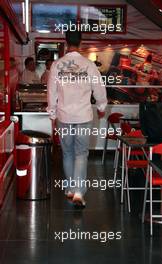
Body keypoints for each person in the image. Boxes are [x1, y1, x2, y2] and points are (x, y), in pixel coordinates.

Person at [47, 30, 107, 208]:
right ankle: (78, 192)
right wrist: (101, 107)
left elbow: (51, 93)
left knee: (67, 153)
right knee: (81, 154)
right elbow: (99, 89)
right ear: (80, 43)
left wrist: (52, 113)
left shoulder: (57, 65)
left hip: (64, 116)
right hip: (83, 116)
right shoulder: (89, 65)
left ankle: (70, 189)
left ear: (66, 43)